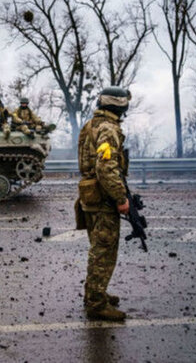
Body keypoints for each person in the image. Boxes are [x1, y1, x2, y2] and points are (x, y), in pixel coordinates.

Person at [75, 86, 132, 321]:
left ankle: (96, 293)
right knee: (104, 250)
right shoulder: (108, 129)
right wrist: (120, 197)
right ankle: (96, 304)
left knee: (98, 248)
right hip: (103, 198)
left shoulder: (91, 125)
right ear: (119, 105)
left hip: (90, 195)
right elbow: (106, 167)